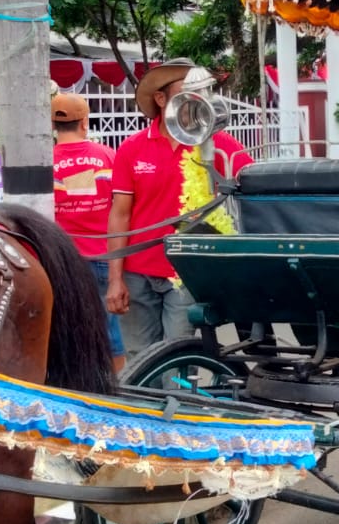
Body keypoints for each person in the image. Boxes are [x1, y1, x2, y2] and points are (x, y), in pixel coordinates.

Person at [105, 59, 253, 355]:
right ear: (160, 99)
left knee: (177, 357)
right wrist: (115, 279)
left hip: (186, 271)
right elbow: (120, 214)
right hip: (137, 271)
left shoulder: (219, 143)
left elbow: (251, 186)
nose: (198, 100)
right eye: (187, 92)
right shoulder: (132, 148)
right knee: (139, 360)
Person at [50, 93, 126, 373]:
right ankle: (122, 390)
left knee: (70, 330)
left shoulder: (45, 162)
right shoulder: (107, 155)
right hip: (105, 257)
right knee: (112, 333)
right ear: (85, 122)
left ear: (53, 125)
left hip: (64, 261)